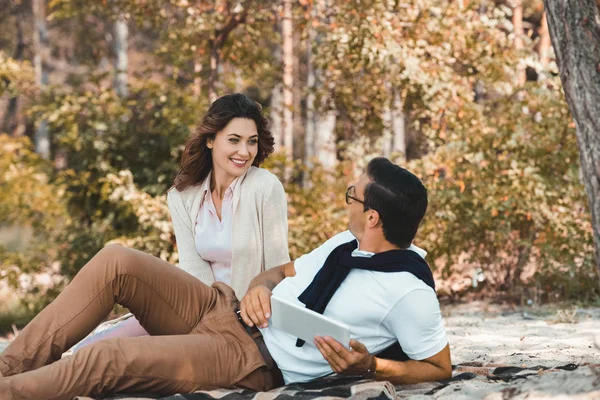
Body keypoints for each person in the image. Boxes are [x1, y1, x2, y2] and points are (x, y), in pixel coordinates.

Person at [0, 157, 451, 400]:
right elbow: (281, 272)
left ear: (372, 216)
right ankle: (8, 368)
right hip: (222, 308)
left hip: (250, 357)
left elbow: (439, 368)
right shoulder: (343, 242)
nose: (346, 199)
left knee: (107, 358)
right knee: (117, 261)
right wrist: (259, 285)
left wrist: (371, 366)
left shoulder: (409, 291)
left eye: (353, 194)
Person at [72, 93, 290, 351]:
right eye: (234, 140)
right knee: (91, 349)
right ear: (210, 140)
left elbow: (278, 271)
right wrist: (202, 318)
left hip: (248, 324)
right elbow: (192, 270)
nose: (244, 152)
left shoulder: (265, 187)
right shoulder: (183, 196)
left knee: (128, 356)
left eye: (251, 142)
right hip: (197, 312)